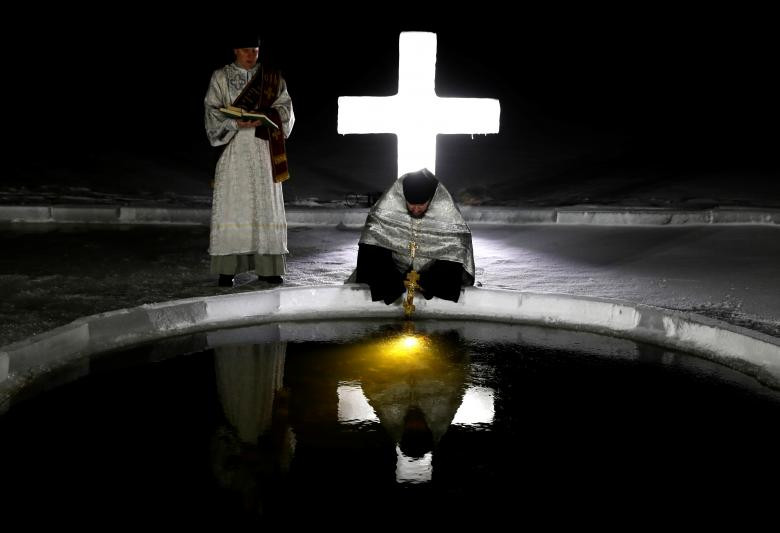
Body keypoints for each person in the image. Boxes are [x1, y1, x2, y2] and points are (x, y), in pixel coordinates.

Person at [204, 33, 295, 287]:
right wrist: (235, 122)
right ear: (235, 50)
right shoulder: (220, 77)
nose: (251, 56)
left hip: (264, 149)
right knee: (234, 204)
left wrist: (269, 115)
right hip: (234, 149)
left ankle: (269, 268)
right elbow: (211, 111)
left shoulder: (272, 78)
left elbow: (286, 109)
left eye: (255, 51)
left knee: (265, 206)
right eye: (246, 51)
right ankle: (227, 269)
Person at [354, 168, 475, 304]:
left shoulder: (447, 211)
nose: (416, 209)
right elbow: (372, 234)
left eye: (421, 205)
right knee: (371, 246)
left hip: (431, 271)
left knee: (456, 252)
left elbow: (459, 242)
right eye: (411, 204)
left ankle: (426, 284)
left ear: (432, 199)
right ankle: (391, 287)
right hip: (394, 270)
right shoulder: (388, 206)